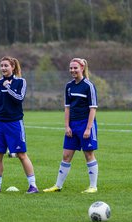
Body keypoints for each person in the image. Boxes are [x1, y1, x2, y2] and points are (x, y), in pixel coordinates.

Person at [43, 58, 99, 193]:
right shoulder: (69, 86)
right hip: (72, 125)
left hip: (85, 124)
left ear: (82, 68)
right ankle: (58, 185)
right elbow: (67, 108)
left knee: (88, 155)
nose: (73, 70)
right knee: (66, 155)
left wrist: (88, 128)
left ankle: (93, 186)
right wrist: (67, 126)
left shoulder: (88, 86)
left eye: (75, 68)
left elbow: (93, 108)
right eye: (71, 68)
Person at [0, 56, 38, 194]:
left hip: (14, 123)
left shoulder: (20, 82)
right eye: (1, 65)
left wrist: (8, 88)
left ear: (12, 67)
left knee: (21, 154)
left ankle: (33, 186)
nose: (3, 68)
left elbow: (19, 98)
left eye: (6, 65)